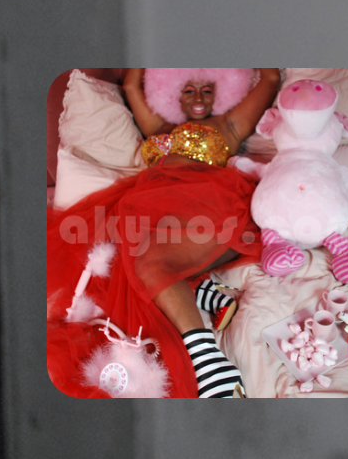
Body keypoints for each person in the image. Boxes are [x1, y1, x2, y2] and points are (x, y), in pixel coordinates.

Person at [47, 67, 281, 397]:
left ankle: (209, 360)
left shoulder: (228, 125)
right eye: (188, 90)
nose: (198, 97)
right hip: (151, 209)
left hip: (207, 203)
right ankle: (201, 292)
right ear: (172, 95)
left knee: (146, 262)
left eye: (207, 90)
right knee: (112, 256)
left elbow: (270, 79)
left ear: (221, 95)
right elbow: (132, 84)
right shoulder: (158, 128)